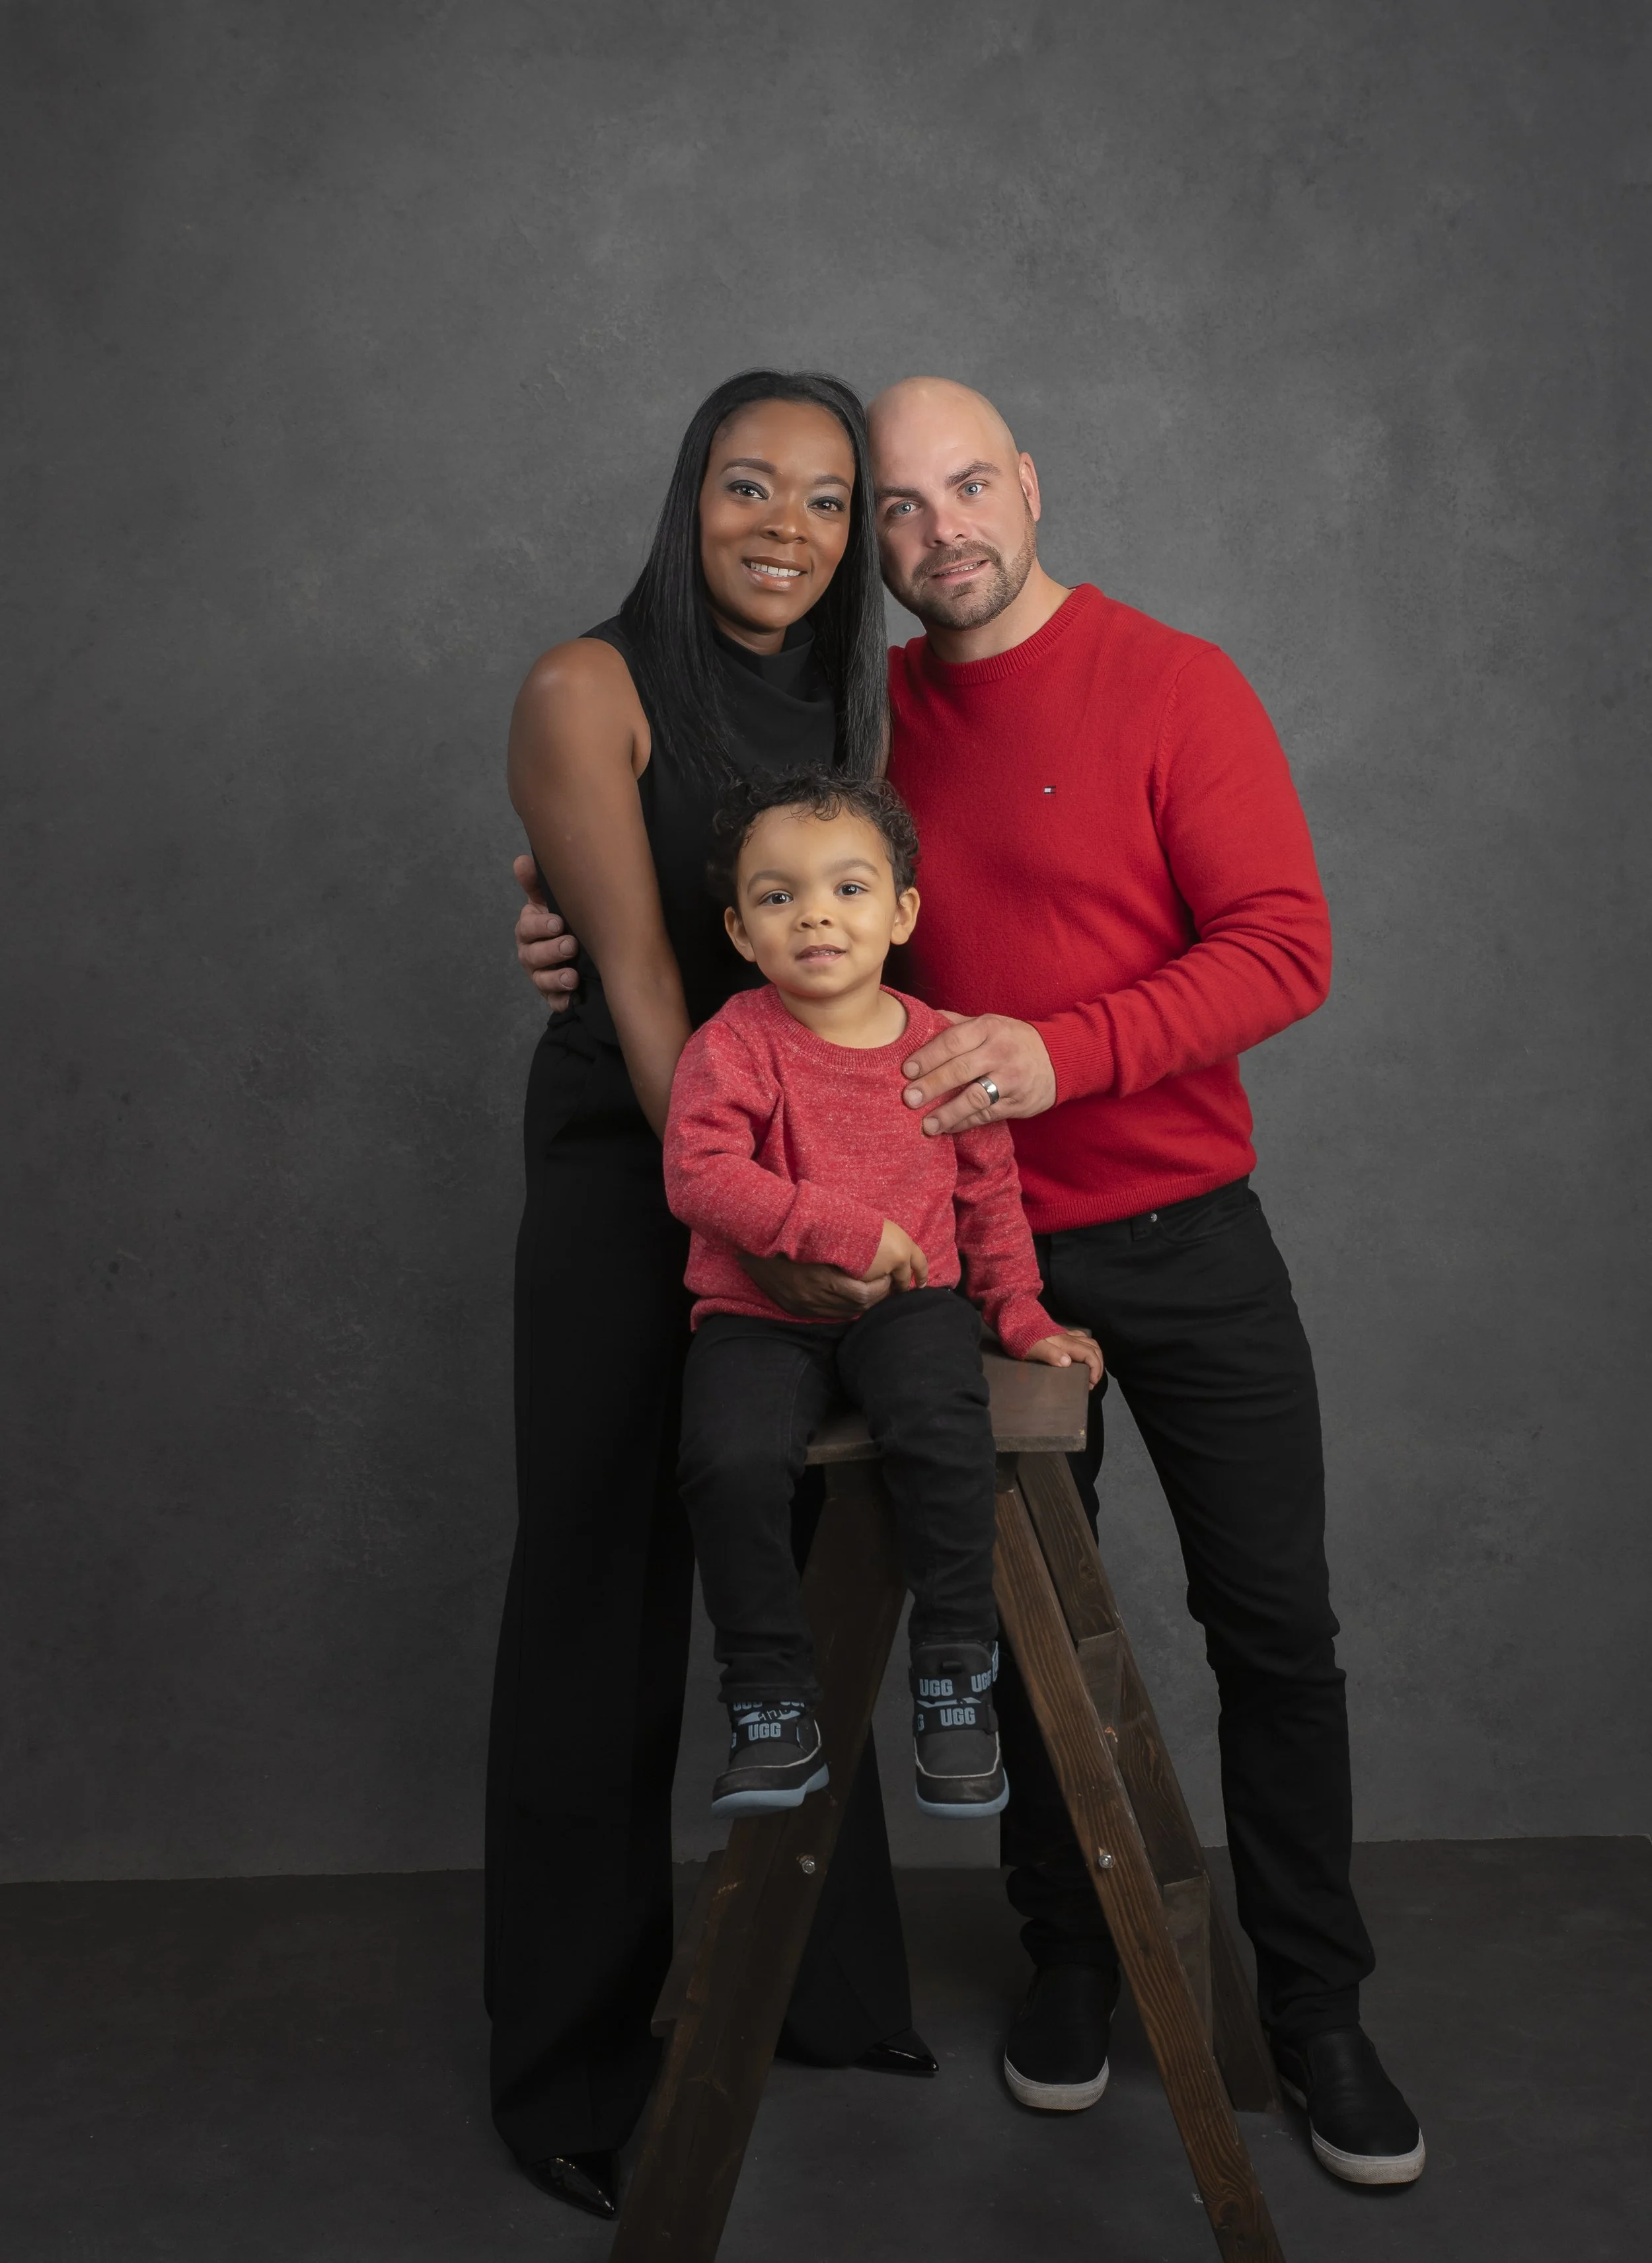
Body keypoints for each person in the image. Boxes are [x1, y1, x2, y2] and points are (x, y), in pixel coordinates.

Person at [515, 375, 1426, 2188]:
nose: (933, 535)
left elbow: (1287, 945)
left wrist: (1058, 1057)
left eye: (955, 492)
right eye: (900, 512)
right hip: (946, 1255)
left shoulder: (1177, 683)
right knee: (1000, 1614)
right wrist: (553, 900)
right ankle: (1070, 1962)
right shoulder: (868, 711)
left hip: (1177, 1231)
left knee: (1271, 1631)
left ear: (1028, 485)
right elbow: (745, 893)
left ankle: (1315, 2006)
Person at [490, 371, 940, 2225]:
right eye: (747, 486)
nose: (786, 525)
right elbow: (655, 1001)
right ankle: (569, 2067)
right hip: (643, 1179)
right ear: (690, 498)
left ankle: (818, 1995)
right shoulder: (583, 689)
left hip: (827, 1191)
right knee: (605, 1590)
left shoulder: (854, 701)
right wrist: (776, 1232)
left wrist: (859, 1217)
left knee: (824, 1560)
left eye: (827, 502)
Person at [663, 770, 1102, 1821]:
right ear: (740, 929)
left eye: (850, 888)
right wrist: (845, 1227)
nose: (815, 912)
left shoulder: (941, 1047)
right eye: (778, 897)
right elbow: (700, 1175)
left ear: (902, 912)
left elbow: (992, 1202)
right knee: (726, 1456)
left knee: (942, 1425)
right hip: (760, 1320)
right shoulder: (734, 1043)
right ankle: (770, 1701)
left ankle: (956, 1676)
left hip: (908, 1315)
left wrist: (1025, 1316)